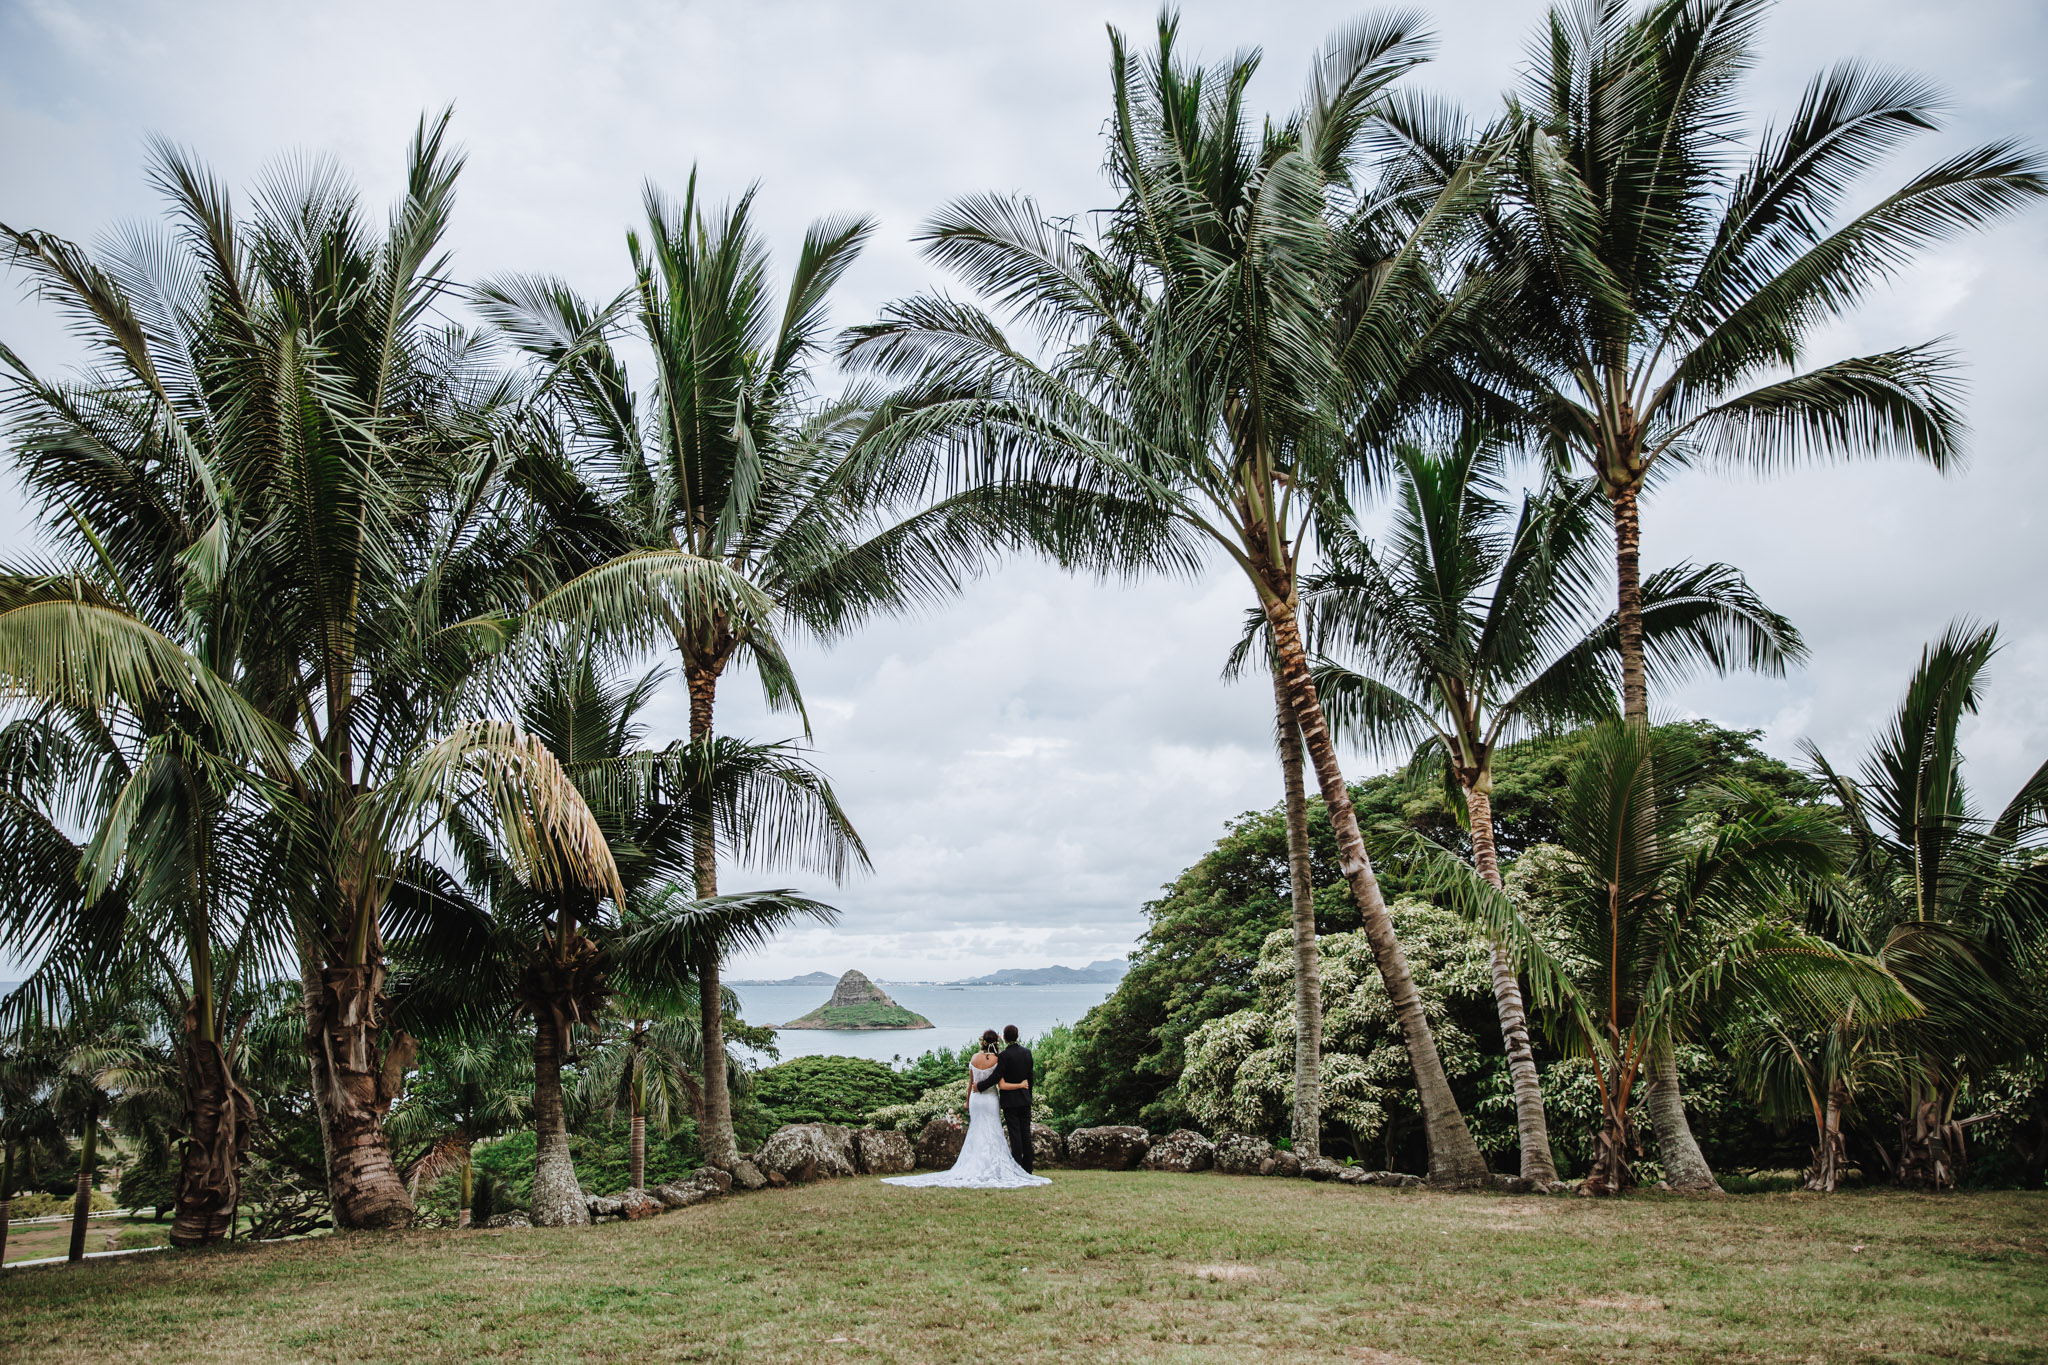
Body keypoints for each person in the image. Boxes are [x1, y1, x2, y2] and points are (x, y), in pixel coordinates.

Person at [880, 1029, 1049, 1190]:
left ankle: (976, 1164)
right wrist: (1024, 1090)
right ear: (998, 1041)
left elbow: (970, 1083)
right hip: (991, 1100)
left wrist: (968, 1101)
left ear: (983, 1042)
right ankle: (1016, 1167)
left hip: (976, 1099)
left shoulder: (974, 1058)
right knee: (996, 1132)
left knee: (977, 1131)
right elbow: (1001, 1081)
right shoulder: (1000, 1058)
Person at [980, 1023, 1035, 1172]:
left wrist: (980, 1086)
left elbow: (996, 1076)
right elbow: (1030, 1077)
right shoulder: (1027, 1052)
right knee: (1025, 1133)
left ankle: (1017, 1166)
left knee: (1015, 1134)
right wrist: (1028, 1096)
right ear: (1017, 1036)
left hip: (1010, 1101)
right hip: (1024, 1099)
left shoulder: (1004, 1056)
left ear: (1004, 1038)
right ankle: (1028, 1167)